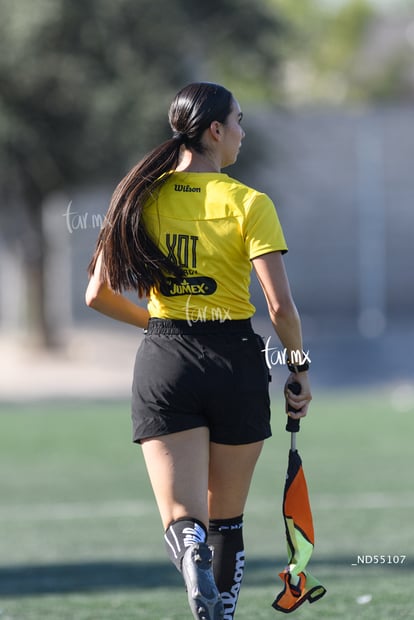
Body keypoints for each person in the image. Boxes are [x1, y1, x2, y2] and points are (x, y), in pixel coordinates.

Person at [85, 82, 312, 620]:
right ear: (214, 130)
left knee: (185, 517)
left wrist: (162, 325)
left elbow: (96, 294)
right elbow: (280, 309)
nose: (241, 131)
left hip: (165, 358)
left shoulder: (139, 194)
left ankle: (189, 548)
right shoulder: (249, 202)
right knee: (227, 520)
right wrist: (298, 366)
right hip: (235, 359)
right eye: (238, 120)